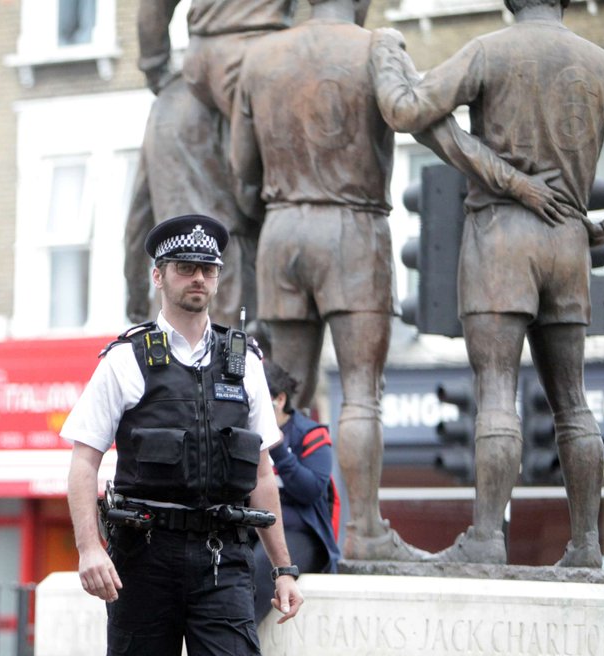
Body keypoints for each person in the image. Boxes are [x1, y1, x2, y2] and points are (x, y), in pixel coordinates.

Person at [229, 0, 573, 561]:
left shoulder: (259, 57)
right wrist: (513, 181)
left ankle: (271, 535)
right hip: (355, 229)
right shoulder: (376, 48)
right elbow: (440, 134)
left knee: (274, 397)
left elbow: (241, 174)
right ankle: (363, 531)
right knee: (361, 393)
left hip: (282, 232)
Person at [369, 0, 604, 565]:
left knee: (497, 390)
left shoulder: (488, 51)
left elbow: (407, 112)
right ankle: (587, 546)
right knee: (573, 401)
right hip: (568, 240)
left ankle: (485, 538)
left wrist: (384, 50)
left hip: (500, 236)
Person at [62, 214, 303, 656]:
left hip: (224, 561)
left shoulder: (243, 362)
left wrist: (286, 567)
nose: (197, 277)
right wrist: (90, 548)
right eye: (185, 268)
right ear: (159, 276)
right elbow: (83, 462)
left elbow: (263, 474)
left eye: (207, 269)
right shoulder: (125, 358)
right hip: (143, 562)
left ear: (217, 279)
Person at [124, 0, 298, 330]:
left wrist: (135, 302)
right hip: (231, 275)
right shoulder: (248, 93)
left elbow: (138, 219)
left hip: (171, 285)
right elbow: (254, 195)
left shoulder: (166, 104)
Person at [255, 359, 340, 623]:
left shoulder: (310, 434)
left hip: (300, 532)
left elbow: (311, 490)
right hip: (254, 528)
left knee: (258, 569)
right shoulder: (245, 432)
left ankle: (240, 652)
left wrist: (279, 450)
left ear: (279, 400)